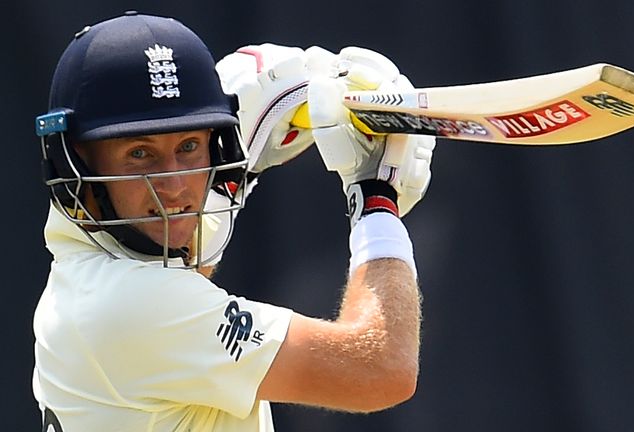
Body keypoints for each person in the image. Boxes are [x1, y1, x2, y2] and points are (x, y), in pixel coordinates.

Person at [32, 12, 435, 432]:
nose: (174, 186)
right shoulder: (130, 305)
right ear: (76, 160)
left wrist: (234, 179)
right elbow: (380, 369)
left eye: (189, 146)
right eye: (140, 153)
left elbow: (181, 288)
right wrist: (375, 197)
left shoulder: (86, 278)